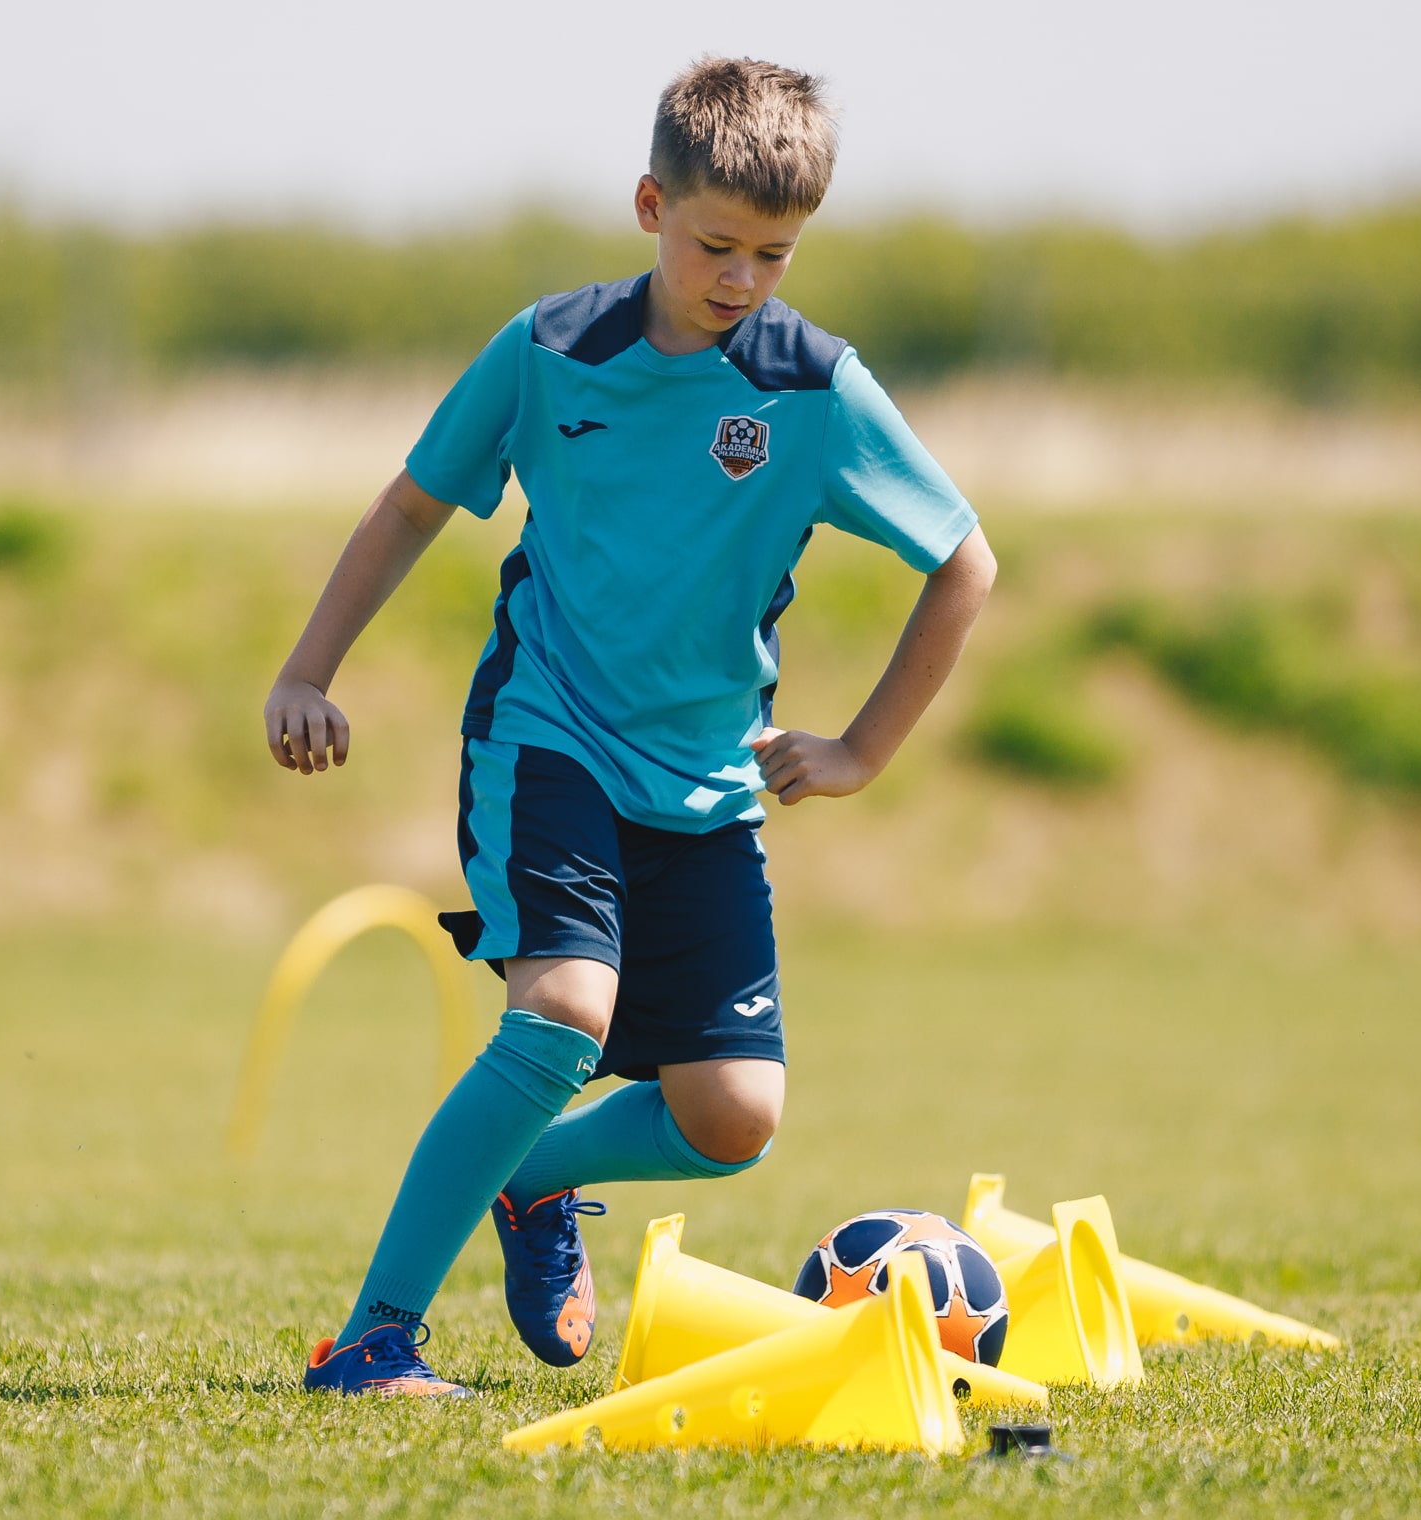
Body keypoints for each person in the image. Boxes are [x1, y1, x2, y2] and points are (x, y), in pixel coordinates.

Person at [266, 55, 995, 1397]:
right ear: (652, 204)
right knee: (563, 1018)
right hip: (550, 737)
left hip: (709, 782)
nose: (742, 280)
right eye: (717, 245)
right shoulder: (547, 353)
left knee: (735, 1119)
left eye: (774, 255)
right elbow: (415, 503)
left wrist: (862, 751)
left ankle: (528, 1184)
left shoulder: (815, 390)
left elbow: (965, 563)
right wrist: (308, 669)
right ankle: (374, 1342)